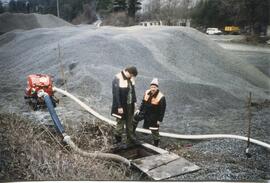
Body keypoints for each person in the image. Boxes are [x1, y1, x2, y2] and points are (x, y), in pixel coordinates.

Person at [133, 78, 166, 147]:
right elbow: (143, 102)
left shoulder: (161, 97)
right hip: (144, 111)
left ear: (157, 88)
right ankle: (132, 134)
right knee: (135, 118)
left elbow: (162, 110)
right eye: (152, 87)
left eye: (154, 87)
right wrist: (139, 109)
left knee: (154, 129)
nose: (153, 89)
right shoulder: (147, 92)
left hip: (153, 115)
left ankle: (156, 144)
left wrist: (159, 120)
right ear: (150, 87)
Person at [111, 66, 138, 146]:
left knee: (130, 122)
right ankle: (118, 140)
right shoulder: (117, 78)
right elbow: (116, 94)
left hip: (130, 105)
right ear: (128, 72)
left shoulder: (131, 78)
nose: (132, 77)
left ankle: (130, 138)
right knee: (120, 123)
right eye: (132, 75)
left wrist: (134, 101)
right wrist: (119, 106)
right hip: (122, 106)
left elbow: (133, 91)